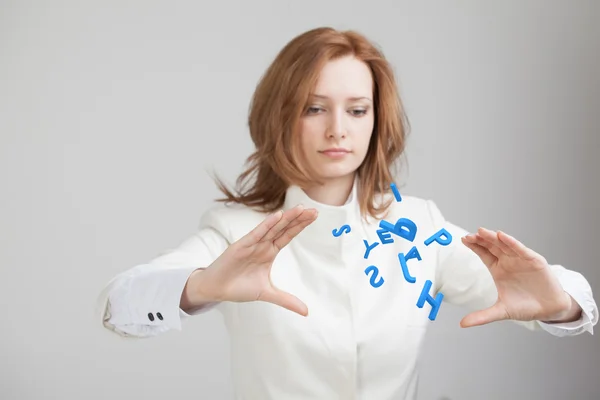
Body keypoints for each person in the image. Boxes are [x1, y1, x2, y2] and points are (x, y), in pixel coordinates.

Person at [96, 27, 598, 399]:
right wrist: (200, 286)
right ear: (280, 116)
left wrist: (560, 302)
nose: (338, 129)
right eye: (315, 108)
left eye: (357, 110)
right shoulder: (237, 231)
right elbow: (119, 305)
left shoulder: (418, 226)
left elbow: (566, 299)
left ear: (376, 120)